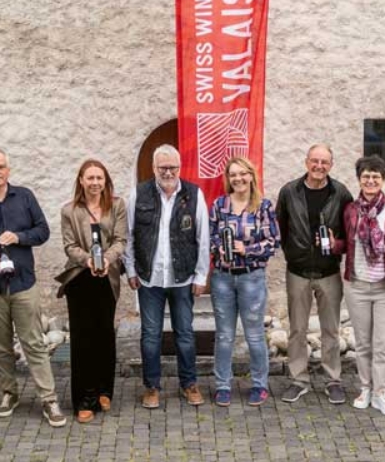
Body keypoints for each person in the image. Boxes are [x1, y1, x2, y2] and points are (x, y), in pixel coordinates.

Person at [0, 148, 66, 427]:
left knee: (34, 342)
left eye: (1, 166)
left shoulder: (25, 197)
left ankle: (49, 398)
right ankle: (9, 393)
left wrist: (19, 237)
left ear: (8, 170)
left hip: (23, 283)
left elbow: (43, 231)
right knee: (1, 345)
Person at [123, 144, 210, 409]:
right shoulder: (138, 194)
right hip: (149, 278)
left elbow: (203, 238)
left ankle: (189, 383)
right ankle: (151, 386)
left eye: (173, 167)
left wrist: (201, 276)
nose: (168, 172)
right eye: (163, 167)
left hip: (183, 277)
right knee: (150, 335)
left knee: (185, 333)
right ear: (154, 168)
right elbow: (129, 235)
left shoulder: (194, 194)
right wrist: (130, 269)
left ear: (180, 167)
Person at [275, 143, 354, 404]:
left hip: (328, 271)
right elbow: (280, 228)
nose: (319, 166)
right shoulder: (289, 191)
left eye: (325, 162)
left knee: (330, 330)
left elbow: (349, 233)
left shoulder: (340, 193)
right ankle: (299, 379)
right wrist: (292, 253)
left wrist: (336, 244)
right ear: (306, 162)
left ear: (331, 165)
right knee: (297, 329)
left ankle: (333, 379)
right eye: (315, 161)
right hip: (297, 271)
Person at [341, 155, 385, 415]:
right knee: (362, 344)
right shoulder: (350, 210)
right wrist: (330, 244)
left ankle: (381, 393)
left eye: (375, 176)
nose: (370, 181)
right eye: (366, 176)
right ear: (359, 179)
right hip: (357, 286)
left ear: (382, 180)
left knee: (382, 345)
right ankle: (365, 388)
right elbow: (346, 243)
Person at [57, 159, 128, 424]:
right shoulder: (69, 211)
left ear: (105, 181)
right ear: (81, 181)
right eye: (90, 178)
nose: (95, 183)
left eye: (99, 178)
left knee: (104, 334)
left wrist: (106, 260)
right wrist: (88, 260)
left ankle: (103, 390)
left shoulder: (117, 206)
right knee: (82, 338)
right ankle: (84, 399)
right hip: (81, 278)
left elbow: (120, 240)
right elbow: (69, 246)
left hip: (107, 277)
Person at [208, 156, 280, 407]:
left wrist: (245, 249)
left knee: (255, 335)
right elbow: (210, 236)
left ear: (251, 176)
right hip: (222, 278)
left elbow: (273, 242)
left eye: (242, 173)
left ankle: (259, 385)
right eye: (233, 175)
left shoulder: (263, 206)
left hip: (252, 277)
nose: (238, 178)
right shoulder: (220, 205)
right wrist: (219, 247)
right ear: (228, 179)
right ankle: (223, 385)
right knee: (224, 335)